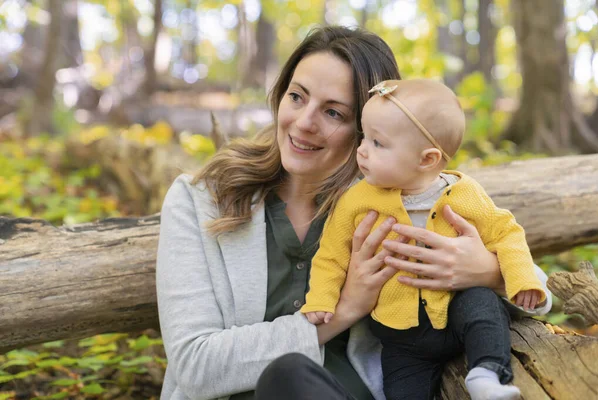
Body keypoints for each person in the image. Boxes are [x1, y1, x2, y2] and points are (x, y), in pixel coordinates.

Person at [156, 26, 552, 400]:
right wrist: (345, 309)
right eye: (297, 96)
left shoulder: (386, 201)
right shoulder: (201, 201)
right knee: (287, 376)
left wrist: (487, 272)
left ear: (368, 128)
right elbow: (194, 365)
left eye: (334, 113)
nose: (304, 122)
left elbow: (536, 287)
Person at [300, 79, 546, 400]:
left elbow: (505, 232)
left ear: (427, 160)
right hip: (401, 335)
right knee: (403, 391)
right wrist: (321, 299)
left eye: (378, 143)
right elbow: (331, 254)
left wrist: (521, 278)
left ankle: (486, 374)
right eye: (365, 136)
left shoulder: (462, 193)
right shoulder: (356, 201)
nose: (361, 150)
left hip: (456, 308)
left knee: (483, 308)